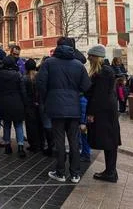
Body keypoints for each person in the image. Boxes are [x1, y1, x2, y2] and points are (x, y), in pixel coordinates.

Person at [37, 37, 91, 184]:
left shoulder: (48, 63)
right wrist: (76, 93)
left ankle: (60, 172)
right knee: (74, 141)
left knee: (59, 141)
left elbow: (40, 83)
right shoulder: (78, 65)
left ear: (58, 47)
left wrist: (47, 98)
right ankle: (75, 174)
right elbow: (86, 86)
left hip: (56, 107)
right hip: (74, 107)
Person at [85, 44, 121, 183]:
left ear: (96, 57)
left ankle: (111, 172)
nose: (88, 58)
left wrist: (91, 113)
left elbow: (98, 95)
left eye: (90, 56)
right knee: (109, 141)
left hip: (104, 111)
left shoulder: (103, 72)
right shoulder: (106, 71)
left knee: (109, 141)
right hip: (107, 110)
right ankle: (111, 171)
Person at [0, 56, 27, 158]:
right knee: (18, 125)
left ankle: (8, 146)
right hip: (17, 101)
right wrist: (25, 102)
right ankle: (21, 147)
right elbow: (23, 90)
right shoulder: (17, 74)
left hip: (4, 102)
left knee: (7, 125)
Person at [23, 59, 44, 152]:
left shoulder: (24, 78)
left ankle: (34, 145)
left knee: (31, 126)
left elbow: (23, 93)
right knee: (40, 124)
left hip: (29, 105)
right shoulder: (40, 76)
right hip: (40, 104)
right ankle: (41, 143)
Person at [79, 93, 91, 162]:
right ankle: (84, 153)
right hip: (85, 122)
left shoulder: (83, 99)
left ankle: (86, 155)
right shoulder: (85, 98)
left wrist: (83, 123)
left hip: (85, 123)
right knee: (84, 138)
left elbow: (83, 112)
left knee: (85, 139)